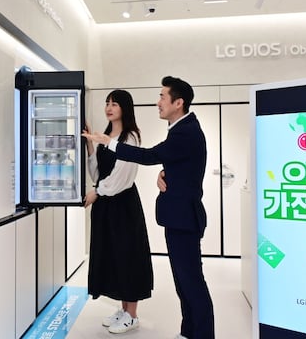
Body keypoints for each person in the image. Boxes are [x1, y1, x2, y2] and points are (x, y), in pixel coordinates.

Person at [83, 76, 215, 339]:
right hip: (177, 218)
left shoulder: (186, 131)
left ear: (178, 102)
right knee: (183, 282)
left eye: (162, 97)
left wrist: (107, 142)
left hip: (184, 219)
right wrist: (165, 174)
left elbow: (149, 156)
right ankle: (189, 331)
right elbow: (177, 164)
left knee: (191, 283)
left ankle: (201, 334)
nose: (158, 102)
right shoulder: (180, 129)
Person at [83, 89, 153, 334]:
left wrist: (97, 192)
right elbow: (97, 173)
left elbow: (121, 177)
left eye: (114, 103)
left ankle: (132, 315)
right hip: (106, 204)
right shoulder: (106, 136)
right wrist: (90, 144)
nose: (109, 108)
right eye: (107, 103)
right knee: (113, 256)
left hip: (123, 206)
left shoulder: (130, 137)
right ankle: (124, 310)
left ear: (125, 108)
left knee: (127, 256)